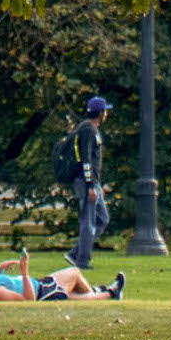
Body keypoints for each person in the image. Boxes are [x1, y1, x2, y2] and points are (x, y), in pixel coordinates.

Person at [64, 96, 111, 270]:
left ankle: (76, 253)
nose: (106, 114)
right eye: (105, 111)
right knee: (88, 221)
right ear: (101, 113)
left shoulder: (91, 130)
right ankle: (82, 260)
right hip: (86, 183)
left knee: (102, 219)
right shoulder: (87, 130)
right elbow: (86, 159)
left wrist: (98, 184)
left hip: (93, 183)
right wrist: (91, 185)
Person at [0, 253, 127, 301]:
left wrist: (1, 267)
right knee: (74, 273)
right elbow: (28, 300)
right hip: (41, 291)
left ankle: (109, 292)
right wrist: (24, 272)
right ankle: (106, 292)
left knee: (74, 295)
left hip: (39, 284)